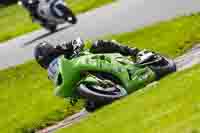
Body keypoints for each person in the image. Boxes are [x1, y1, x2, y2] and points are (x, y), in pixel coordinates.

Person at [34, 38, 176, 80]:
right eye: (44, 61)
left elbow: (77, 41)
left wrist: (75, 48)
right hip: (80, 76)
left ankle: (136, 53)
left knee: (100, 44)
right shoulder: (51, 74)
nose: (48, 61)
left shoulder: (61, 48)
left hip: (87, 59)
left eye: (49, 56)